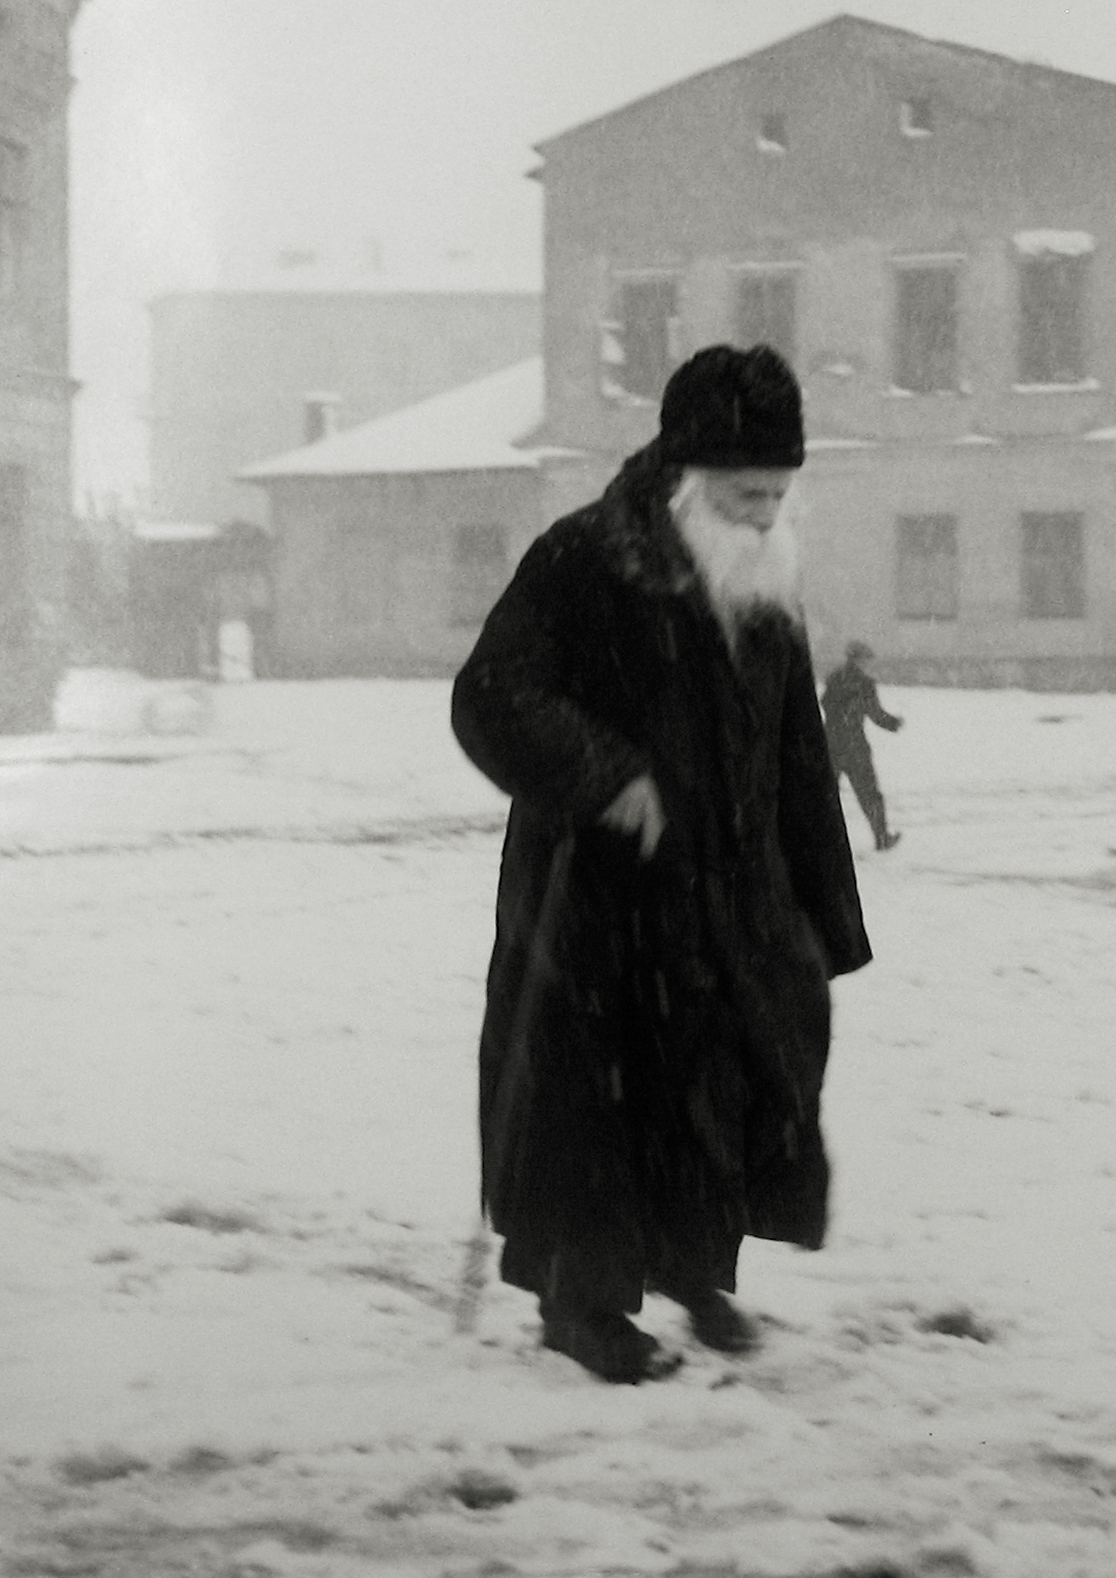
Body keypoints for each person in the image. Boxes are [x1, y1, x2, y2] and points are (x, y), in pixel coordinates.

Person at [451, 344, 872, 1384]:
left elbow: (796, 751)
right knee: (598, 1106)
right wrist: (602, 774)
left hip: (731, 900)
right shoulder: (587, 559)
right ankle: (580, 1306)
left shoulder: (759, 575)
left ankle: (691, 1267)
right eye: (746, 493)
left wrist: (822, 908)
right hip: (603, 906)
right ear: (684, 480)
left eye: (779, 492)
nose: (768, 513)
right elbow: (491, 694)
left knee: (718, 1090)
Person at [821, 640, 904, 850]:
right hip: (854, 745)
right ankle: (882, 837)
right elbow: (874, 713)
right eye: (866, 659)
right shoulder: (865, 684)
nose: (868, 663)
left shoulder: (834, 678)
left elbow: (825, 704)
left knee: (826, 796)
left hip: (830, 743)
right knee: (869, 794)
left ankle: (822, 842)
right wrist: (894, 723)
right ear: (858, 659)